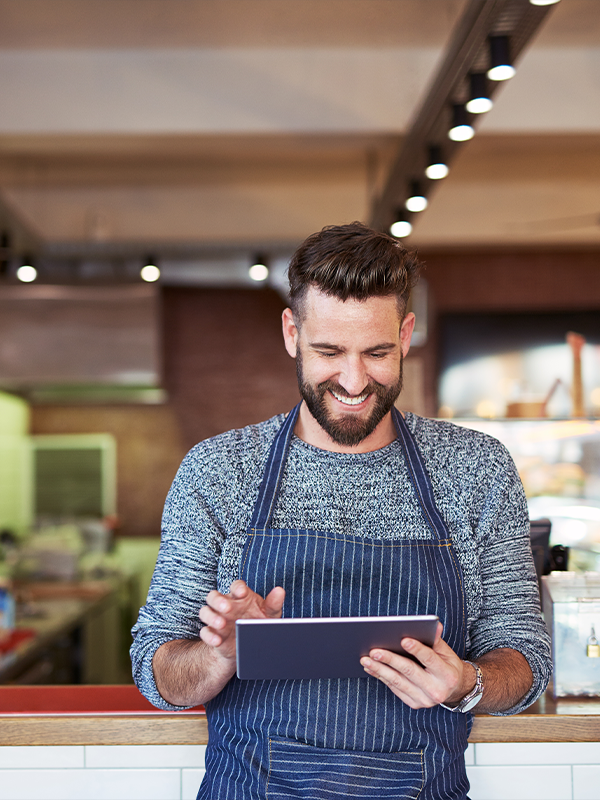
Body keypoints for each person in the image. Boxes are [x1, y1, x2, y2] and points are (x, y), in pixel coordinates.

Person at [131, 221, 552, 800]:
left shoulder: (475, 469)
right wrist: (219, 656)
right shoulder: (218, 471)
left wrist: (468, 683)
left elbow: (526, 657)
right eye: (329, 351)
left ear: (406, 335)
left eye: (377, 352)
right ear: (291, 332)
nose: (354, 381)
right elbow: (160, 675)